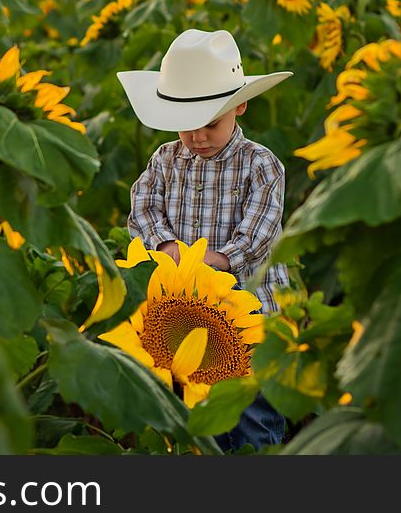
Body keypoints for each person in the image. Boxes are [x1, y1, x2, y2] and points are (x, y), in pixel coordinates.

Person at [116, 28, 292, 452]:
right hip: (187, 310)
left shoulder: (261, 165)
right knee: (199, 408)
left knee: (253, 410)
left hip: (254, 310)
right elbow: (140, 209)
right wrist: (166, 248)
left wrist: (213, 263)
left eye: (210, 124)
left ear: (240, 105)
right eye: (186, 127)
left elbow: (258, 236)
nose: (197, 137)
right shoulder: (165, 158)